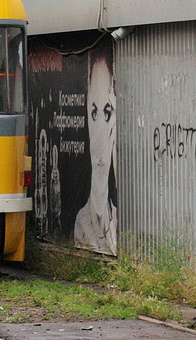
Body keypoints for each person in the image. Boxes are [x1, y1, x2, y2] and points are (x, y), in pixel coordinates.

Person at [73, 54, 117, 256]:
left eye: (107, 113)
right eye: (93, 112)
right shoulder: (82, 223)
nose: (100, 130)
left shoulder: (119, 220)